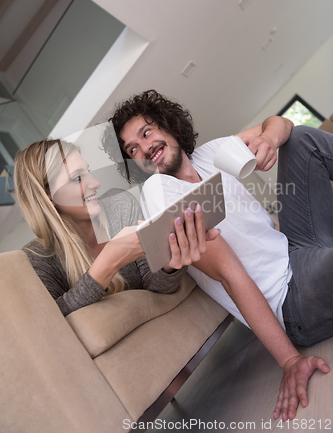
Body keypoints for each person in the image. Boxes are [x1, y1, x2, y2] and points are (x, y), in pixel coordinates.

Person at [103, 89, 332, 422]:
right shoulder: (160, 191)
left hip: (295, 246)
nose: (144, 147)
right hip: (290, 298)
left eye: (146, 132)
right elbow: (229, 273)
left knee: (301, 140)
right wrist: (289, 360)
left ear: (168, 125)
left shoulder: (211, 154)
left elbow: (280, 122)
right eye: (132, 149)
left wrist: (268, 138)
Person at [13, 138, 219, 317]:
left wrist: (170, 264)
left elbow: (158, 287)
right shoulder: (35, 259)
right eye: (77, 178)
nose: (95, 183)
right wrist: (109, 260)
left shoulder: (119, 204)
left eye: (88, 172)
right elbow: (54, 326)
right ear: (47, 195)